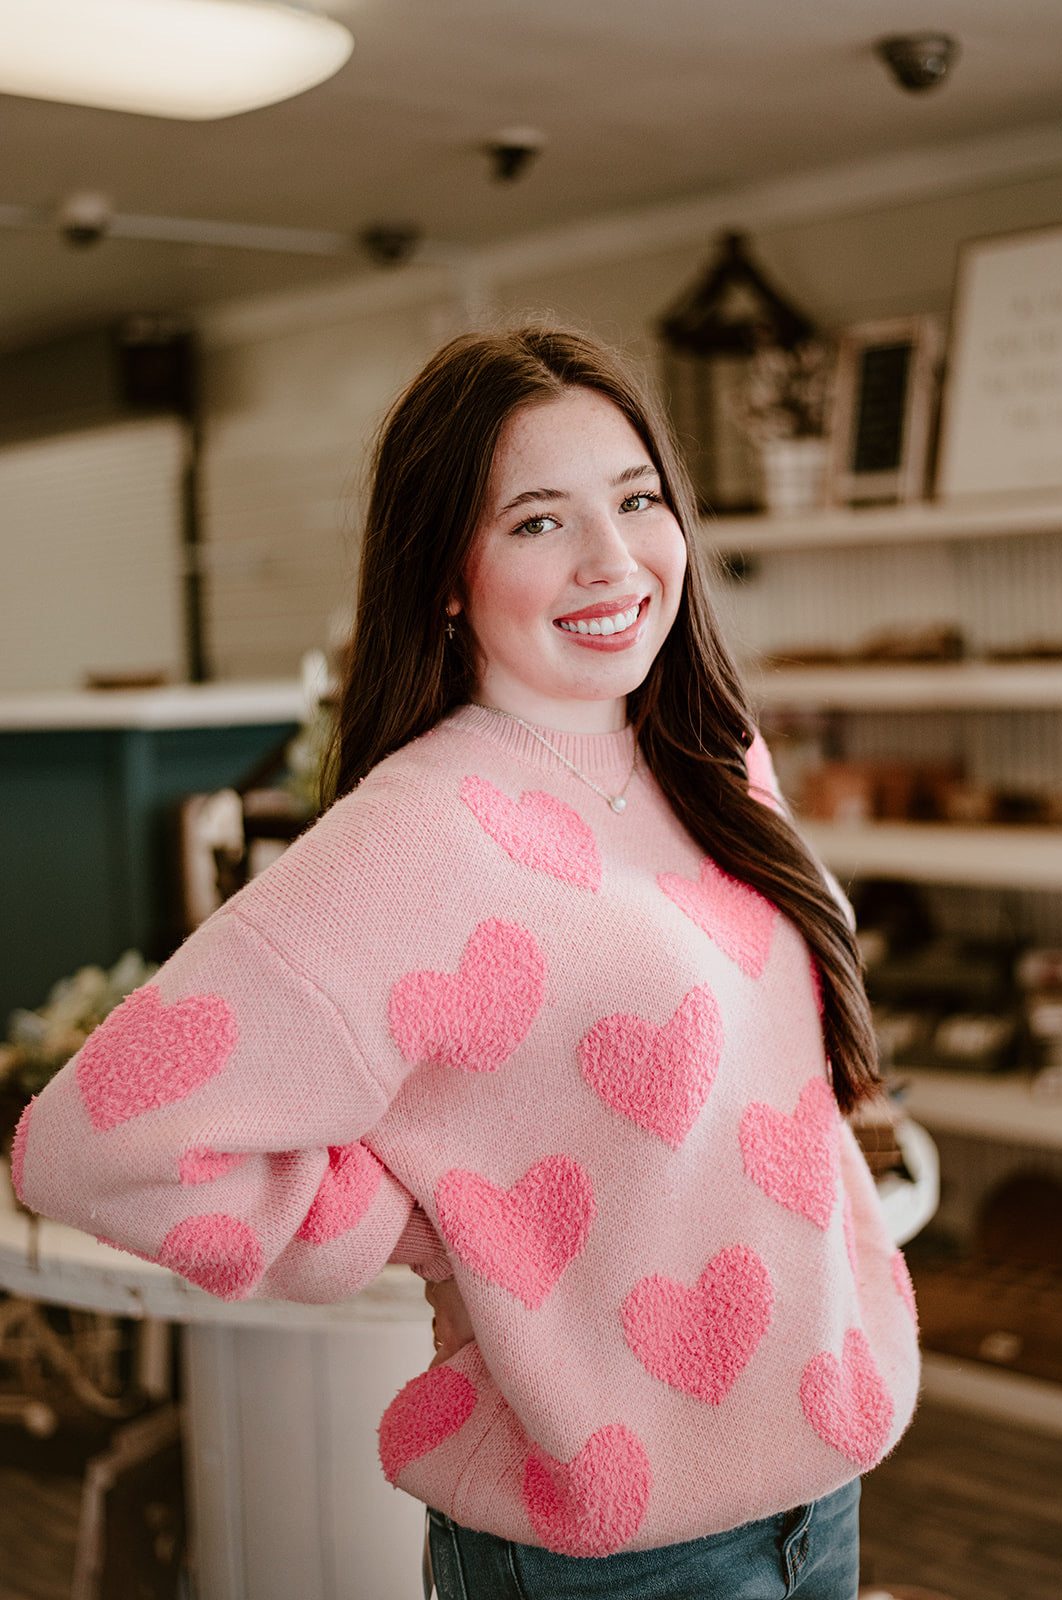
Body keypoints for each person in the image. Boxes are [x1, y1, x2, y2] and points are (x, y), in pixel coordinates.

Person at [14, 326, 919, 1599]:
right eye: (539, 522)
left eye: (637, 498)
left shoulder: (712, 757)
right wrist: (422, 1218)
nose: (613, 561)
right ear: (445, 571)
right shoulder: (413, 837)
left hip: (817, 1488)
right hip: (604, 1554)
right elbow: (91, 1140)